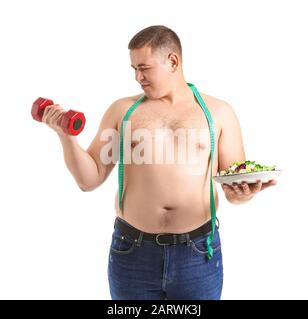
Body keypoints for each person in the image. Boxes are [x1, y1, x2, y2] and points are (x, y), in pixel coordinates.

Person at [41, 25, 277, 300]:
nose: (137, 77)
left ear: (173, 61)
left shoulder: (218, 113)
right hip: (132, 252)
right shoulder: (122, 111)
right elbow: (88, 179)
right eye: (133, 69)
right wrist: (65, 136)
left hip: (198, 253)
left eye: (144, 68)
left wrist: (242, 195)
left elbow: (233, 188)